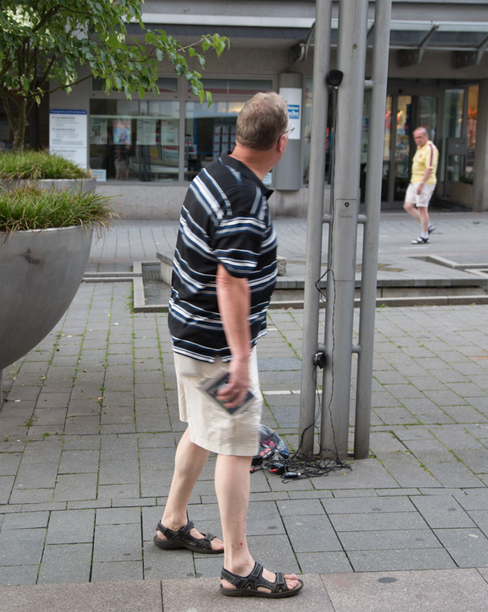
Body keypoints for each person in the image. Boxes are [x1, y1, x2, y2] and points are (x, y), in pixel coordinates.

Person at [155, 91, 303, 599]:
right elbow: (231, 280)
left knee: (202, 430)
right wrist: (240, 358)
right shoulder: (244, 197)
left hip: (191, 331)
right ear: (281, 144)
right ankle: (238, 566)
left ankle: (173, 522)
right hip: (218, 348)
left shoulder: (213, 173)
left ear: (239, 133)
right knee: (238, 446)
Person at [402, 127, 439, 244]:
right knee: (408, 205)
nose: (417, 140)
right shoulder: (420, 148)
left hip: (425, 183)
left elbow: (429, 168)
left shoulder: (430, 148)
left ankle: (424, 236)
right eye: (415, 138)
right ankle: (427, 226)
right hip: (414, 181)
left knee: (422, 208)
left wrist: (421, 184)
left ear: (426, 136)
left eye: (420, 137)